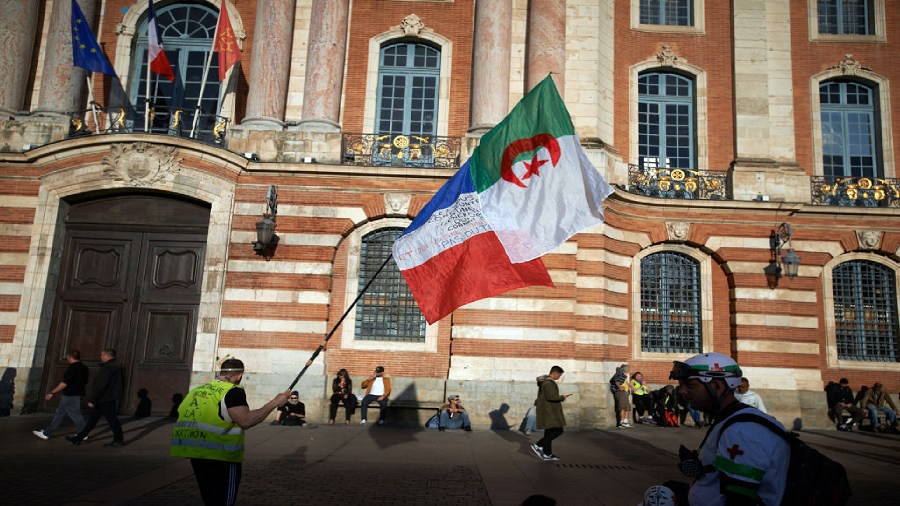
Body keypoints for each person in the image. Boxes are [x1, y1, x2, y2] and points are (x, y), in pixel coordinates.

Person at [663, 352, 789, 505]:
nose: (682, 391)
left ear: (715, 386)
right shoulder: (729, 420)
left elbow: (741, 498)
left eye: (689, 385)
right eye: (681, 385)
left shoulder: (742, 431)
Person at [171, 358, 289, 506]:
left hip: (196, 453)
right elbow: (246, 421)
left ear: (220, 373)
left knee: (210, 500)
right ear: (240, 376)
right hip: (222, 455)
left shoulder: (197, 391)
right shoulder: (232, 391)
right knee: (224, 501)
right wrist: (275, 403)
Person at [66, 349, 124, 447]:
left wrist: (93, 399)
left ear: (106, 356)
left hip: (105, 398)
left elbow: (101, 385)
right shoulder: (115, 366)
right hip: (106, 398)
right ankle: (78, 438)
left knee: (112, 420)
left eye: (102, 355)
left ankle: (118, 440)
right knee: (93, 420)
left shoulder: (108, 367)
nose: (100, 357)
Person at [33, 349, 89, 440]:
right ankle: (46, 432)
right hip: (77, 393)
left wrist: (52, 392)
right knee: (60, 413)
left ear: (70, 357)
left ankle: (83, 433)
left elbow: (64, 383)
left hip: (70, 395)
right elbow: (85, 381)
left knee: (75, 415)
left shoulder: (72, 368)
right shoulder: (84, 368)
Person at [531, 365, 571, 461]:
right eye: (559, 375)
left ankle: (547, 454)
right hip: (550, 411)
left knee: (548, 432)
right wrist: (562, 397)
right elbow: (551, 397)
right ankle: (538, 445)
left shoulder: (544, 382)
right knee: (558, 430)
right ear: (554, 373)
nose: (559, 377)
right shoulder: (549, 383)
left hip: (547, 410)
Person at [610, 363, 631, 428]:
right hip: (621, 392)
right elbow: (616, 381)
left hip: (625, 393)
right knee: (622, 407)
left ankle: (625, 421)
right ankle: (621, 422)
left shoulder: (623, 375)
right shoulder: (619, 374)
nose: (629, 370)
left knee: (627, 407)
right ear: (625, 369)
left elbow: (625, 382)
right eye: (628, 369)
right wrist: (619, 387)